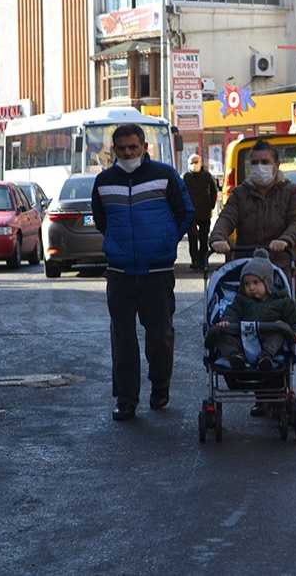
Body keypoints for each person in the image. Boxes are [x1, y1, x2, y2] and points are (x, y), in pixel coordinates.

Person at [91, 124, 194, 421]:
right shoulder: (103, 182)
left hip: (157, 271)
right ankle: (126, 400)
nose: (127, 153)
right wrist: (117, 244)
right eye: (121, 149)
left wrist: (166, 241)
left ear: (144, 147)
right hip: (120, 273)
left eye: (133, 148)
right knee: (122, 338)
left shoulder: (164, 176)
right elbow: (101, 220)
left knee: (159, 336)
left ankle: (160, 387)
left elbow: (185, 212)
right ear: (114, 150)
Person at [209, 140, 296, 296]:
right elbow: (226, 218)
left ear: (277, 165)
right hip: (247, 271)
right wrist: (217, 238)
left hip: (280, 269)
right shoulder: (240, 194)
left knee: (283, 317)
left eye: (265, 162)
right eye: (254, 163)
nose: (259, 166)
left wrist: (285, 240)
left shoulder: (291, 192)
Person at [214, 248, 296, 371]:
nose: (251, 287)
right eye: (246, 284)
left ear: (267, 282)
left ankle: (265, 358)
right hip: (243, 339)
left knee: (280, 331)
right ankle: (235, 357)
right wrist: (226, 321)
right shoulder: (241, 300)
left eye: (255, 282)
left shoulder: (281, 301)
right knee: (220, 334)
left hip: (268, 339)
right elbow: (232, 312)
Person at [182, 154, 219, 270]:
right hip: (190, 213)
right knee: (192, 238)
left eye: (196, 162)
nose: (194, 164)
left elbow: (214, 191)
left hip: (204, 212)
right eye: (192, 162)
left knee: (203, 238)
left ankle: (203, 260)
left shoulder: (207, 176)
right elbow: (180, 193)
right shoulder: (185, 177)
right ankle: (195, 261)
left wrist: (211, 206)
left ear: (201, 162)